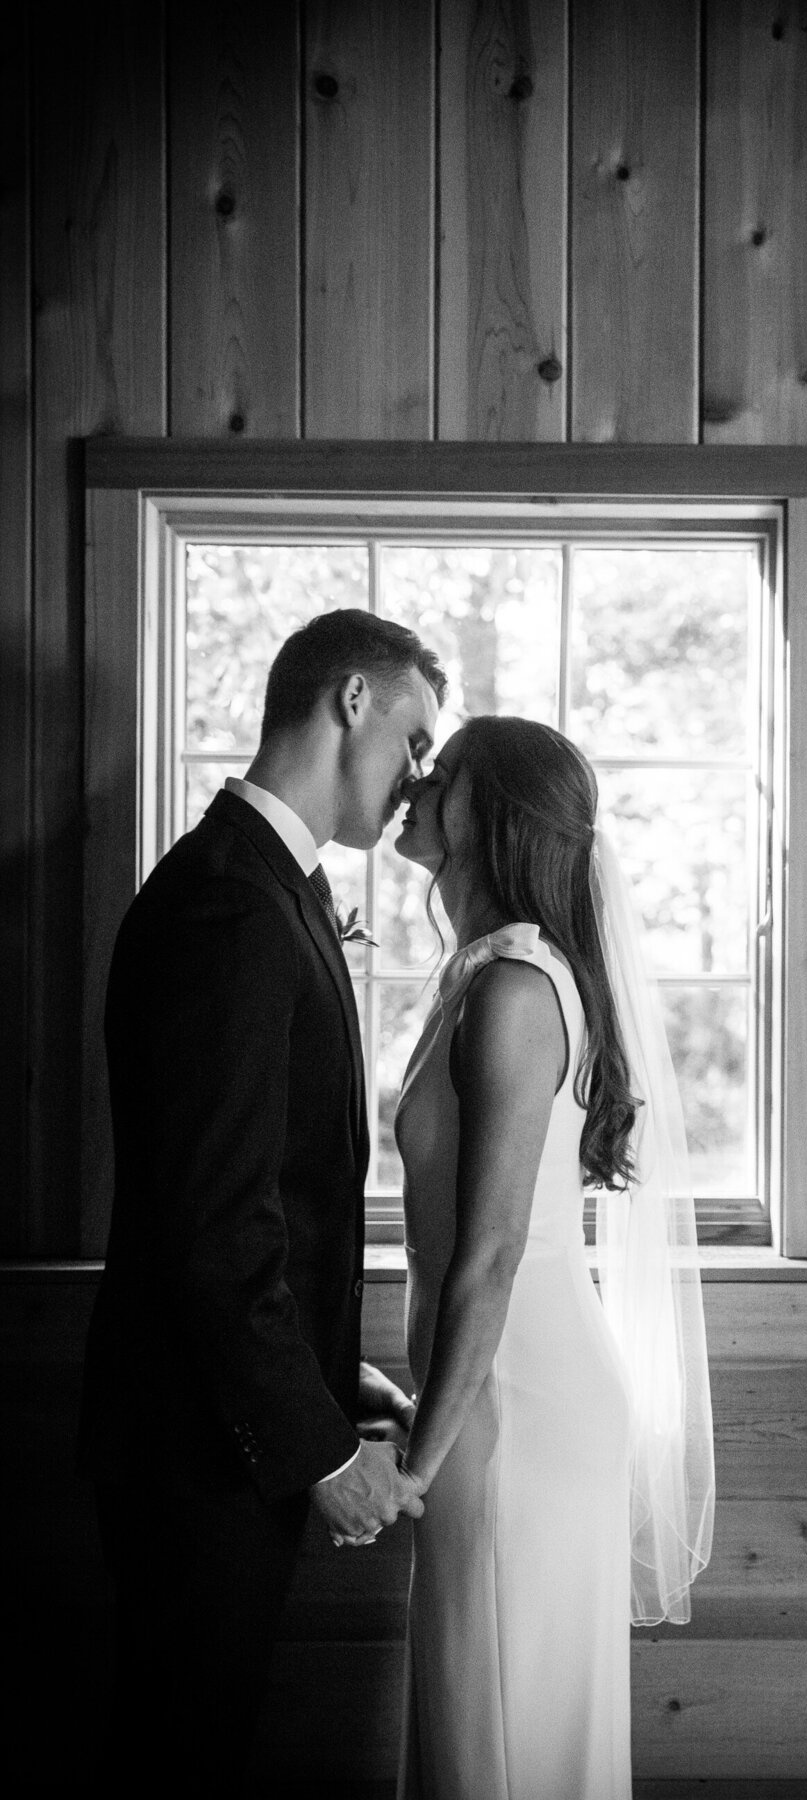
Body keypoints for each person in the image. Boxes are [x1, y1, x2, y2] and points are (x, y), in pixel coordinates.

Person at [78, 609, 444, 1797]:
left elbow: (277, 1196)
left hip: (218, 1426)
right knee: (181, 1752)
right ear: (349, 701)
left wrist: (342, 1378)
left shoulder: (265, 888)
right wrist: (319, 1450)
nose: (416, 779)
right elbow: (214, 1223)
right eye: (414, 738)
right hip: (197, 1446)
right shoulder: (231, 907)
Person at [389, 715, 715, 1800]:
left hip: (518, 1406)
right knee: (474, 1724)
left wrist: (417, 1466)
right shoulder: (479, 974)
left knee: (504, 1734)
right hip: (477, 1389)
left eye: (448, 774)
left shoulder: (517, 992)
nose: (418, 781)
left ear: (495, 819)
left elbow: (489, 1255)